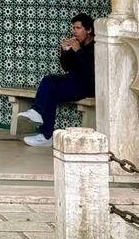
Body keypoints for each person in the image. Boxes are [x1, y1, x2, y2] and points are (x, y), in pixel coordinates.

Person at [21, 14, 94, 147]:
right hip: (73, 81)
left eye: (78, 28)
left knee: (51, 92)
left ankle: (46, 134)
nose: (75, 31)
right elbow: (67, 67)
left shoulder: (97, 46)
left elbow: (92, 71)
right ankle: (40, 119)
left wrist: (78, 51)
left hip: (88, 85)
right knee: (49, 81)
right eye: (74, 28)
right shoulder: (78, 44)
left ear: (88, 30)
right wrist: (65, 51)